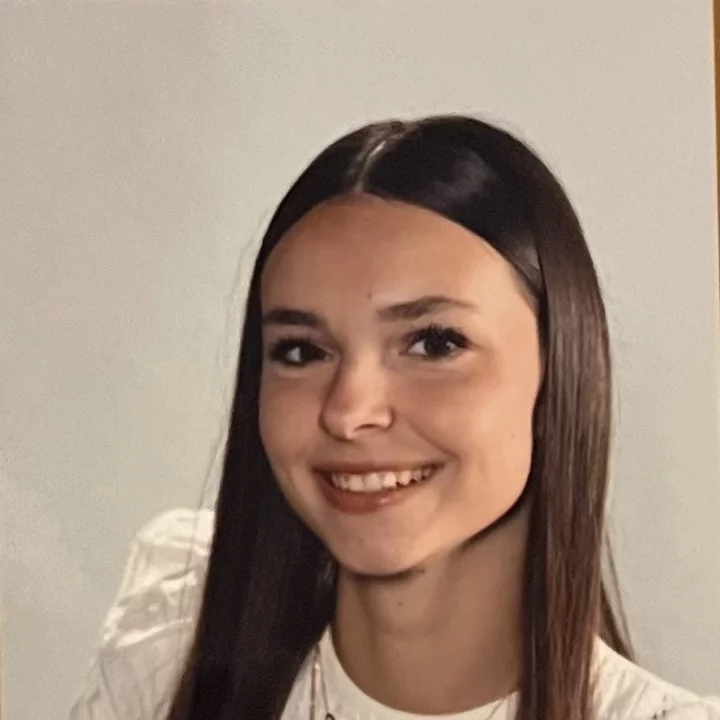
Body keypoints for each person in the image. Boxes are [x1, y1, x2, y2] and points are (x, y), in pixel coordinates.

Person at [69, 115, 720, 720]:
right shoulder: (161, 666)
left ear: (559, 374)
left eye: (434, 343)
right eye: (302, 351)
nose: (349, 411)